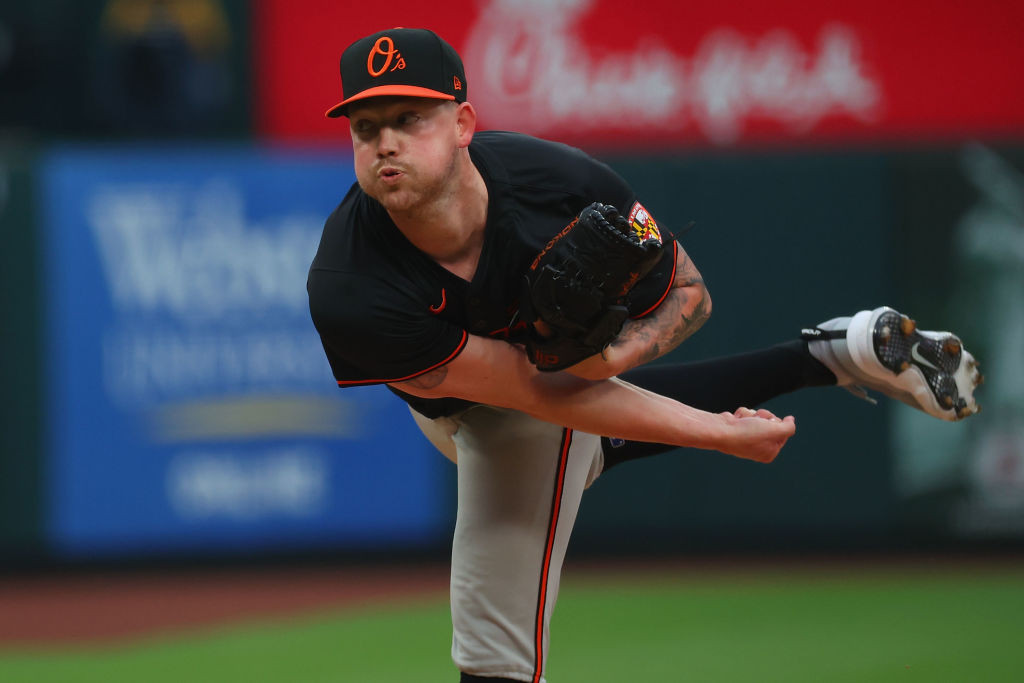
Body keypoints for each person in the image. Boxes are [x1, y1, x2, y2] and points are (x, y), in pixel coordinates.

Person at [307, 28, 982, 683]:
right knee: (573, 440)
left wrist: (611, 357)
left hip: (516, 405)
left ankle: (831, 355)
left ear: (462, 123)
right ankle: (834, 353)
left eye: (409, 118)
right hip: (465, 396)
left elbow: (689, 293)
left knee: (493, 629)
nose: (386, 141)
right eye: (366, 127)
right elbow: (533, 389)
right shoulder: (348, 284)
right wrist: (715, 431)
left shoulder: (557, 183)